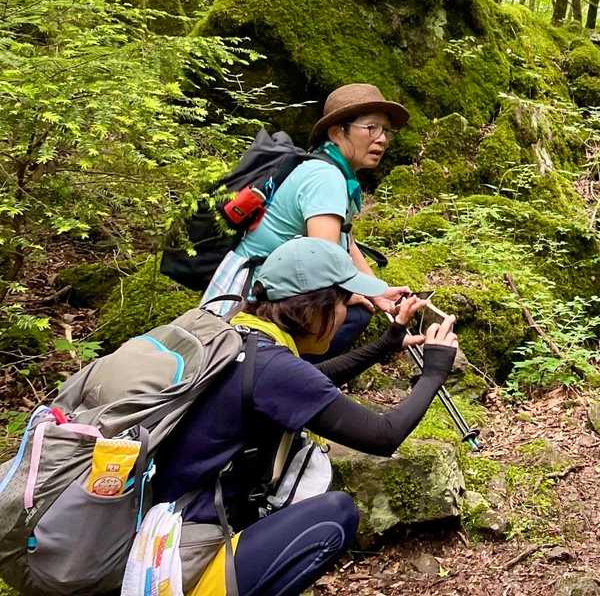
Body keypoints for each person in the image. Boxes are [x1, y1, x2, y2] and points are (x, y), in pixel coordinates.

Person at [157, 237, 459, 596]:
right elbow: (384, 435)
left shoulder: (239, 336)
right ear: (316, 308)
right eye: (344, 302)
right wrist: (434, 371)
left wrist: (387, 343)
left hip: (157, 525)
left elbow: (310, 384)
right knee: (335, 515)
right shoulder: (273, 368)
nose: (347, 314)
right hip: (180, 555)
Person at [203, 83, 411, 353]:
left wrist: (378, 291)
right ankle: (289, 372)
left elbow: (346, 240)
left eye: (386, 130)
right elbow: (322, 263)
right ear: (337, 132)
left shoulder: (330, 171)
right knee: (350, 314)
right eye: (371, 128)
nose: (382, 139)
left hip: (261, 287)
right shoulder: (325, 178)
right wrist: (353, 295)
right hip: (251, 298)